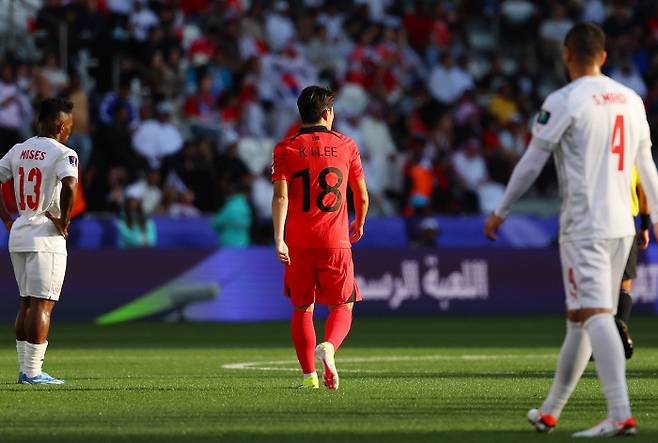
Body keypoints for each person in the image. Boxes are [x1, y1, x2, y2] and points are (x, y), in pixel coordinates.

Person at [484, 22, 658, 437]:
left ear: (567, 55)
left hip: (586, 226)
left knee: (596, 314)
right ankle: (550, 411)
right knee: (579, 318)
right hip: (623, 223)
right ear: (603, 55)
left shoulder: (565, 100)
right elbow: (646, 166)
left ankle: (620, 413)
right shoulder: (632, 99)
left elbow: (531, 161)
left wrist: (502, 209)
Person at [271, 85, 368, 390]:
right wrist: (359, 222)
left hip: (298, 241)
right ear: (327, 113)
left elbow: (280, 198)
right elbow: (361, 195)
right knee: (344, 304)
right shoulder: (347, 145)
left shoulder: (285, 148)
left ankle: (308, 376)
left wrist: (279, 238)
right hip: (335, 240)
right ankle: (329, 346)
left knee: (302, 308)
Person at [0, 97, 79, 384]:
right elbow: (70, 184)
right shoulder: (64, 153)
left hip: (19, 230)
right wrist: (64, 220)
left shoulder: (19, 149)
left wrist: (7, 219)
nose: (70, 131)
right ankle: (33, 372)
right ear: (60, 126)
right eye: (70, 126)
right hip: (46, 234)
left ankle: (26, 370)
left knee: (26, 303)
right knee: (42, 305)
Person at [616, 171, 651, 359]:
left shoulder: (594, 146)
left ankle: (593, 340)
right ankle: (620, 323)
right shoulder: (634, 150)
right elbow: (644, 188)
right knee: (625, 283)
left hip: (596, 219)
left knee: (598, 283)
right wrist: (645, 225)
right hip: (624, 220)